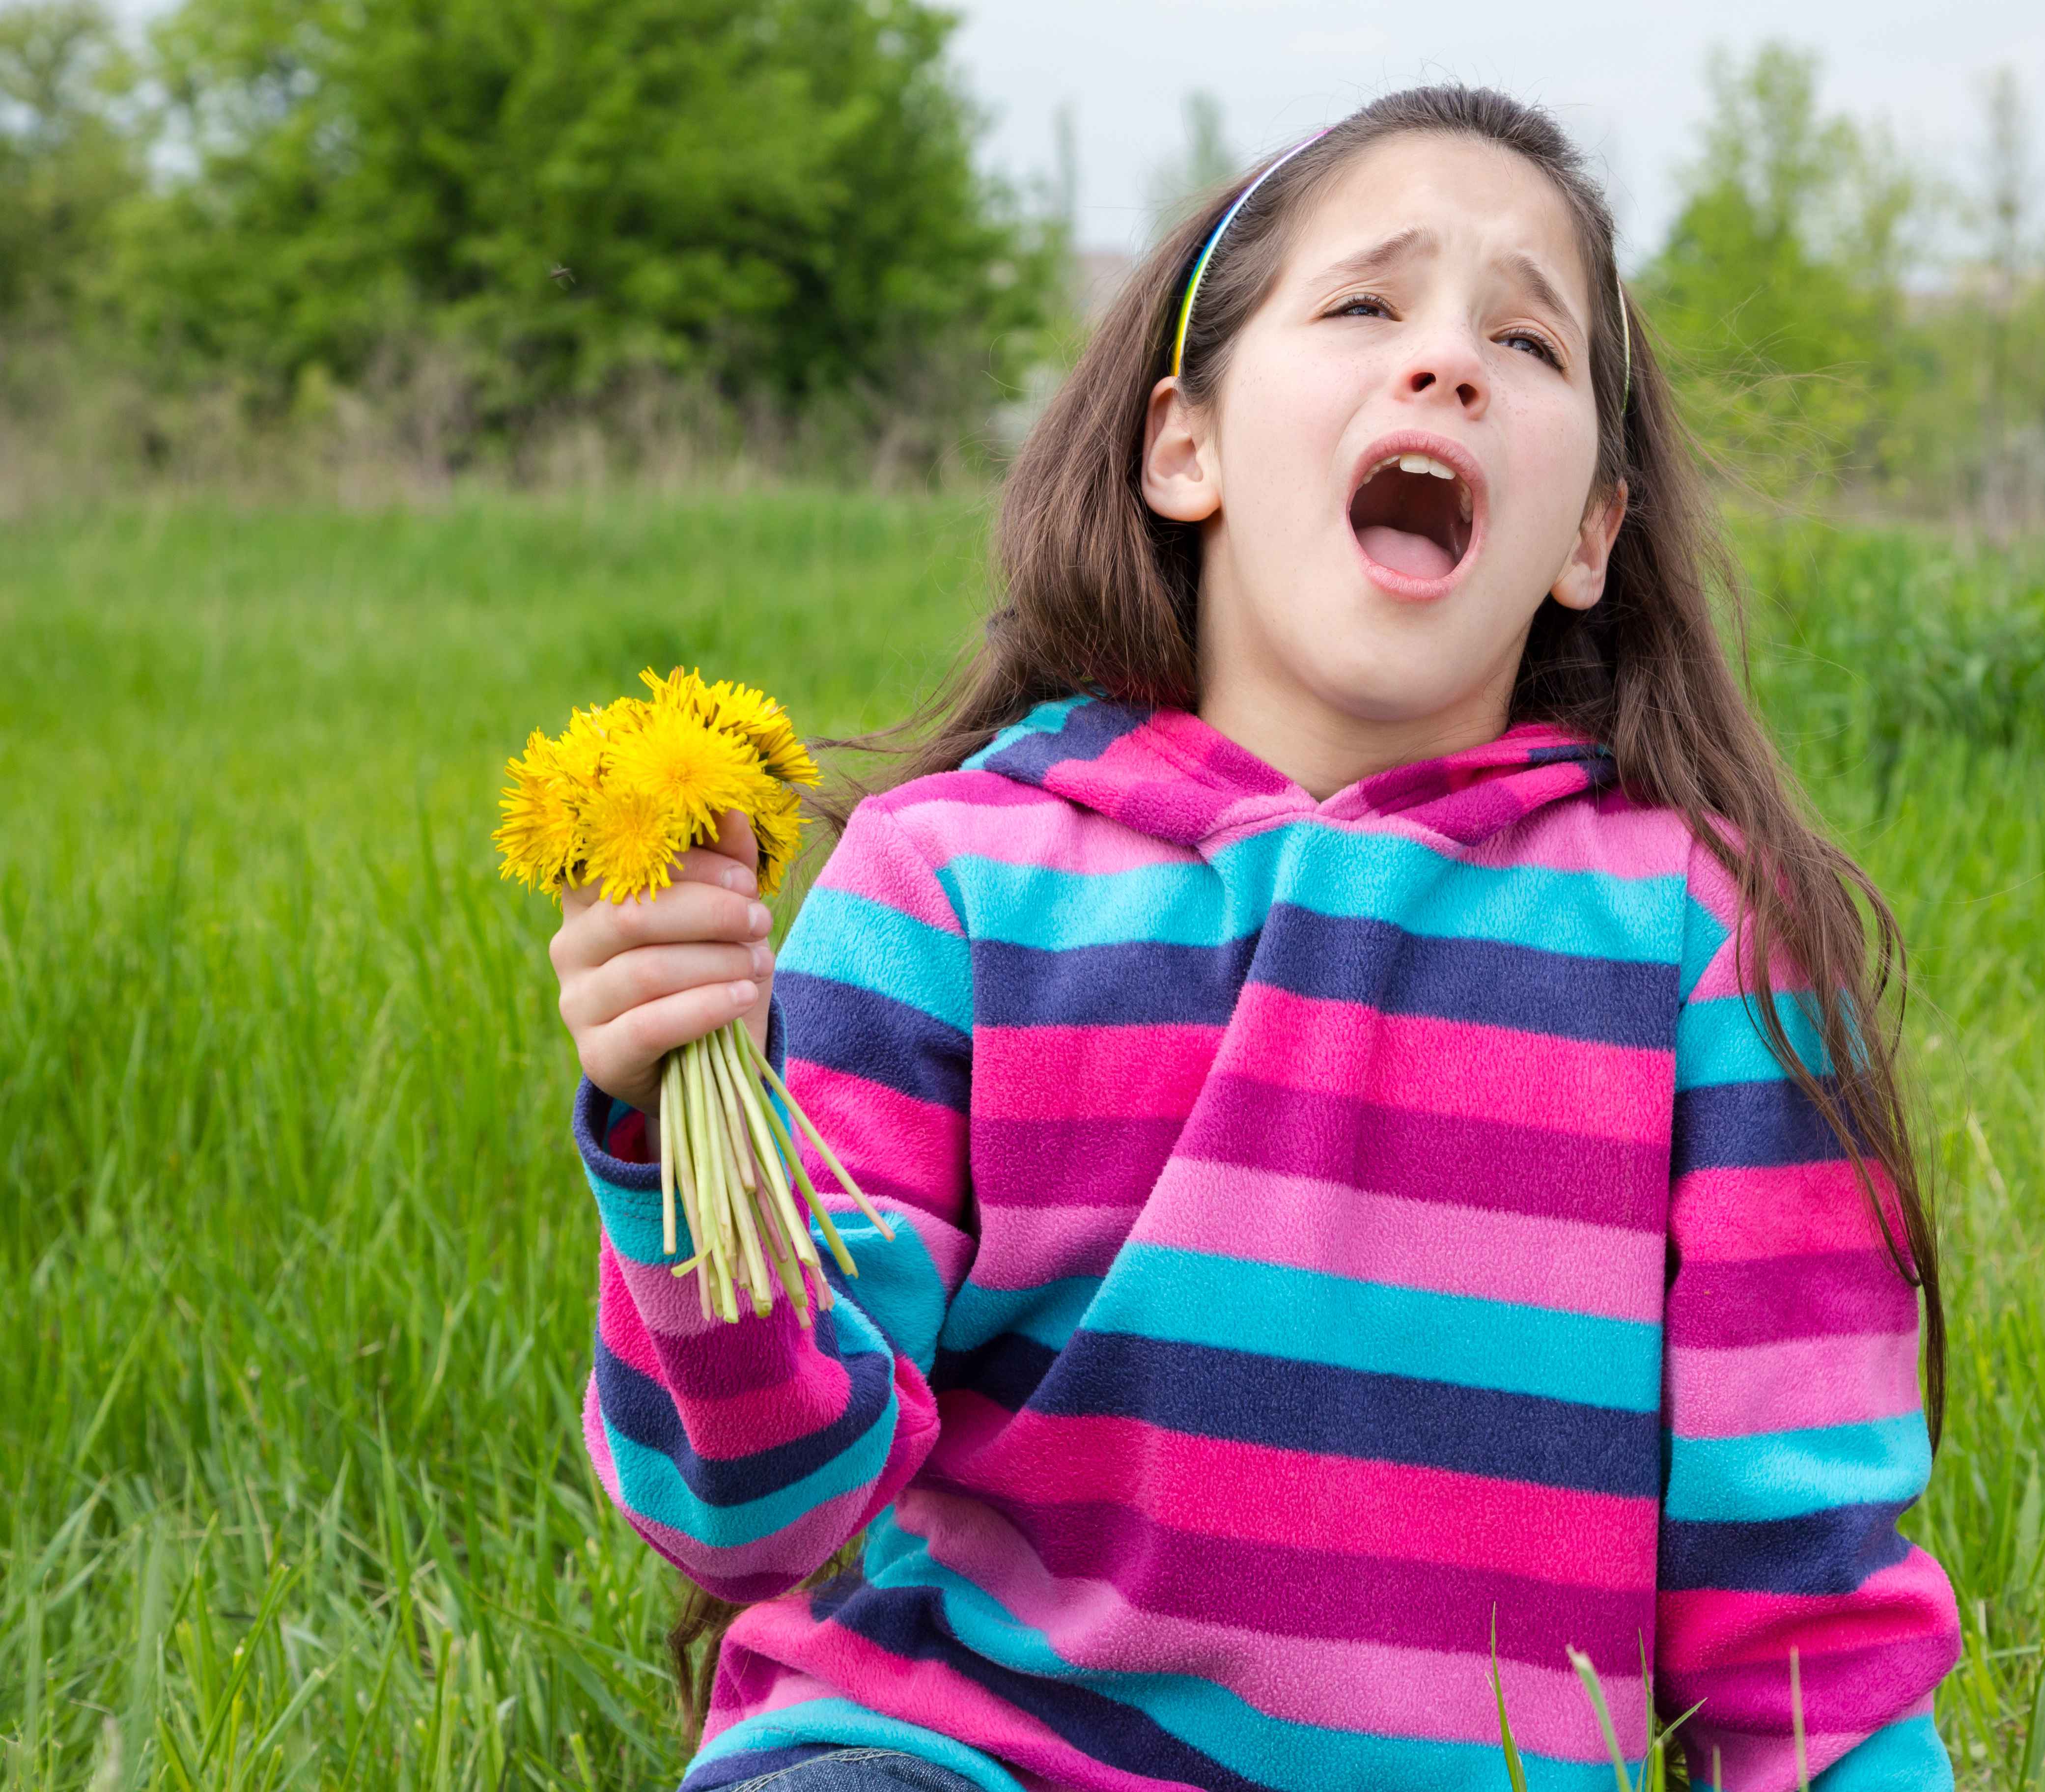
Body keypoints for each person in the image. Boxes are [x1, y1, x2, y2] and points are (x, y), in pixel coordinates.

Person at [545, 84, 1960, 1792]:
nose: (1442, 363)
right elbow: (755, 1512)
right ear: (1183, 447)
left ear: (1590, 533)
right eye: (1366, 305)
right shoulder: (952, 887)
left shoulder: (1706, 943)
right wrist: (676, 1138)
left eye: (1527, 338)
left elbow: (1802, 1609)